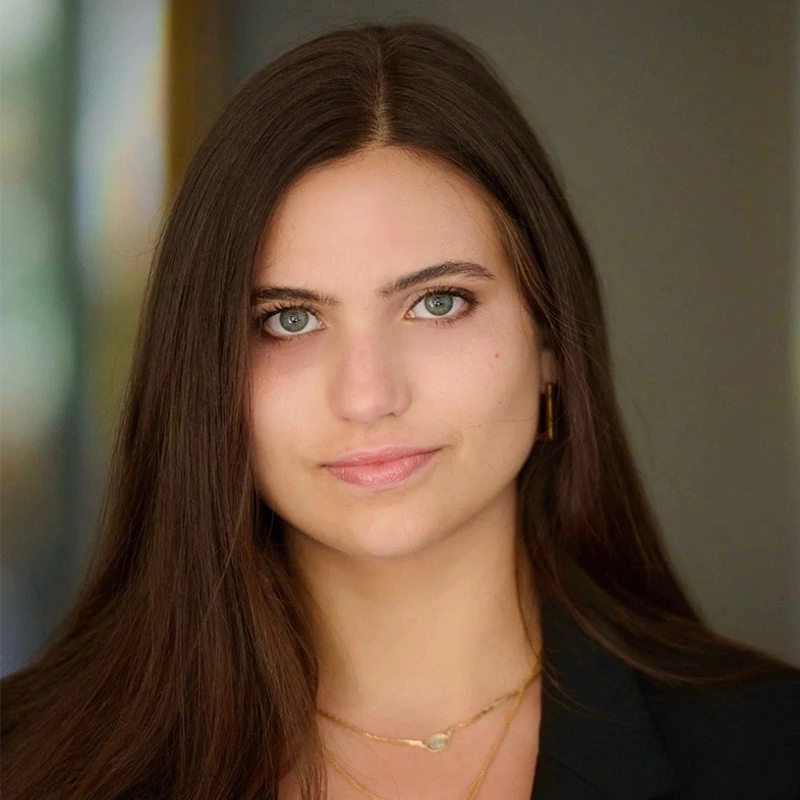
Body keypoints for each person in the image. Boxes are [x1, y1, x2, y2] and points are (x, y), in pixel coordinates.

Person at [2, 20, 798, 800]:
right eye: (289, 319)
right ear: (206, 374)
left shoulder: (770, 751)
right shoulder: (28, 763)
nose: (368, 395)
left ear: (550, 343)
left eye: (439, 302)